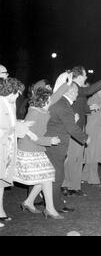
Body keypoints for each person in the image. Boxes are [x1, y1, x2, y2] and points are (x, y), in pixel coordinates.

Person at [14, 88, 65, 219]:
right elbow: (30, 135)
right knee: (46, 177)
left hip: (36, 149)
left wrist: (67, 83)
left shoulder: (40, 110)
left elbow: (55, 96)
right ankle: (50, 209)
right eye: (49, 99)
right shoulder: (35, 113)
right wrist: (50, 140)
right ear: (43, 101)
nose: (51, 101)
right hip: (29, 150)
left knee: (44, 176)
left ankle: (28, 202)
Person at [63, 66, 101, 197]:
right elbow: (89, 90)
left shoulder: (78, 90)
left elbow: (83, 107)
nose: (86, 77)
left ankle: (73, 186)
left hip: (79, 127)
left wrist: (91, 108)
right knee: (73, 158)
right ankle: (67, 185)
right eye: (84, 75)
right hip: (73, 128)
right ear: (79, 76)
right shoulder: (73, 86)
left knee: (77, 158)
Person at [45, 84, 90, 213]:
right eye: (76, 91)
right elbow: (70, 128)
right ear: (70, 92)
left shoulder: (62, 103)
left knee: (53, 174)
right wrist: (85, 138)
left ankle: (45, 202)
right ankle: (54, 205)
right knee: (57, 176)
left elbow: (64, 124)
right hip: (55, 144)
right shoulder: (64, 105)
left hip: (55, 143)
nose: (77, 94)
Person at [0, 77, 36, 227]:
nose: (18, 96)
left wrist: (21, 124)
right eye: (17, 93)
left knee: (1, 182)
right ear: (11, 91)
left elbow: (11, 124)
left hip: (7, 147)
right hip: (2, 146)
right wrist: (20, 128)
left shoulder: (8, 103)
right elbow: (5, 127)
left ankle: (0, 212)